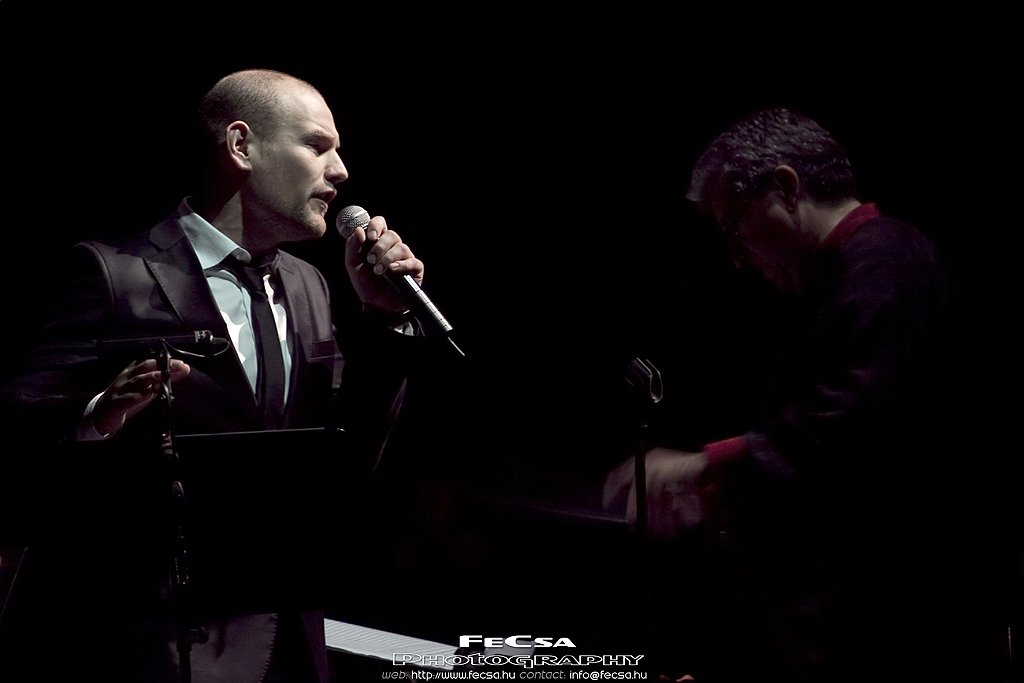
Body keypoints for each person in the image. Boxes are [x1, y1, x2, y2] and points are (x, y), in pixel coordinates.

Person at [0, 68, 431, 682]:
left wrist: (385, 320)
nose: (340, 172)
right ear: (240, 145)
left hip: (285, 635)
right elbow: (17, 433)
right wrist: (99, 412)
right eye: (317, 146)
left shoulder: (309, 284)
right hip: (150, 641)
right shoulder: (115, 272)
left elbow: (343, 452)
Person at [603, 107, 1009, 682]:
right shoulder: (854, 272)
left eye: (734, 226)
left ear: (787, 187)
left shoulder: (885, 261)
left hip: (905, 635)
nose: (737, 258)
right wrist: (725, 497)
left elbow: (854, 431)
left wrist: (702, 467)